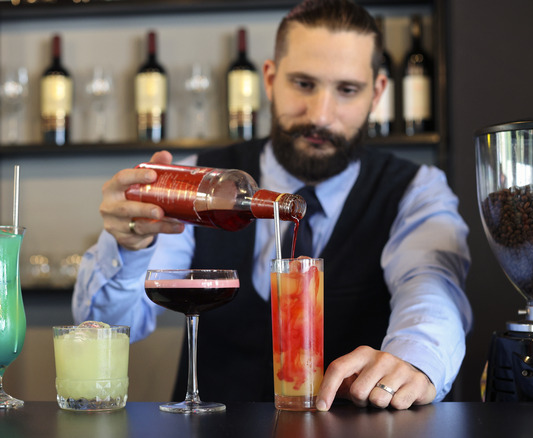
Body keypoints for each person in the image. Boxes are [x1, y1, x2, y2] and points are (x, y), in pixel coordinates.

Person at [73, 0, 472, 411]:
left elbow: (432, 287)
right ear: (269, 78)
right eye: (303, 84)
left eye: (347, 90)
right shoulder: (199, 184)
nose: (320, 114)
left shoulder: (416, 190)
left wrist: (414, 360)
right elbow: (108, 325)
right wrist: (128, 245)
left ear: (379, 93)